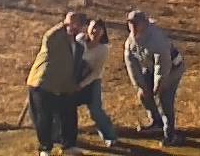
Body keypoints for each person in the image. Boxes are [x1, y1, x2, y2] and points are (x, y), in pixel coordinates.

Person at [26, 11, 87, 156]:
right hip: (43, 83)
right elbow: (49, 36)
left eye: (77, 23)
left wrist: (73, 86)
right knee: (44, 117)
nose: (74, 26)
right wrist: (64, 23)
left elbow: (73, 68)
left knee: (69, 116)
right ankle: (45, 148)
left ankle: (68, 146)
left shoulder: (78, 46)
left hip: (64, 86)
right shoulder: (55, 38)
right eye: (72, 23)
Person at [125, 9, 187, 146]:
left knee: (164, 99)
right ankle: (156, 122)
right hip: (151, 67)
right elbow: (131, 64)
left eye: (136, 23)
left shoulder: (157, 39)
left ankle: (170, 135)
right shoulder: (130, 41)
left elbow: (163, 65)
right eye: (130, 23)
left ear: (144, 24)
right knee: (143, 94)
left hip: (172, 68)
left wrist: (158, 85)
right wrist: (141, 86)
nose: (133, 26)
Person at [76, 19, 119, 147]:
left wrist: (81, 85)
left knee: (96, 110)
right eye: (93, 27)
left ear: (103, 33)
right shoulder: (79, 40)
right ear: (88, 28)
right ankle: (61, 135)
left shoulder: (103, 49)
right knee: (65, 107)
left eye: (98, 29)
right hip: (75, 79)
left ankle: (109, 136)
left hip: (92, 81)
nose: (95, 31)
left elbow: (96, 72)